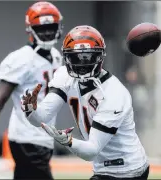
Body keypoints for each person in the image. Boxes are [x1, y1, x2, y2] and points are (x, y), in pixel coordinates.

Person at [21, 25, 150, 180]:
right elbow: (41, 118)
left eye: (88, 57)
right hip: (103, 169)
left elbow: (91, 151)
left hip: (128, 171)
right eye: (76, 57)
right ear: (67, 58)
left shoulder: (114, 93)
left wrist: (67, 141)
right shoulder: (65, 76)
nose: (82, 64)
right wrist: (30, 110)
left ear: (100, 57)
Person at [0, 2, 63, 180]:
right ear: (30, 29)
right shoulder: (22, 59)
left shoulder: (57, 56)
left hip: (42, 137)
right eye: (42, 28)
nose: (48, 33)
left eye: (51, 27)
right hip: (27, 138)